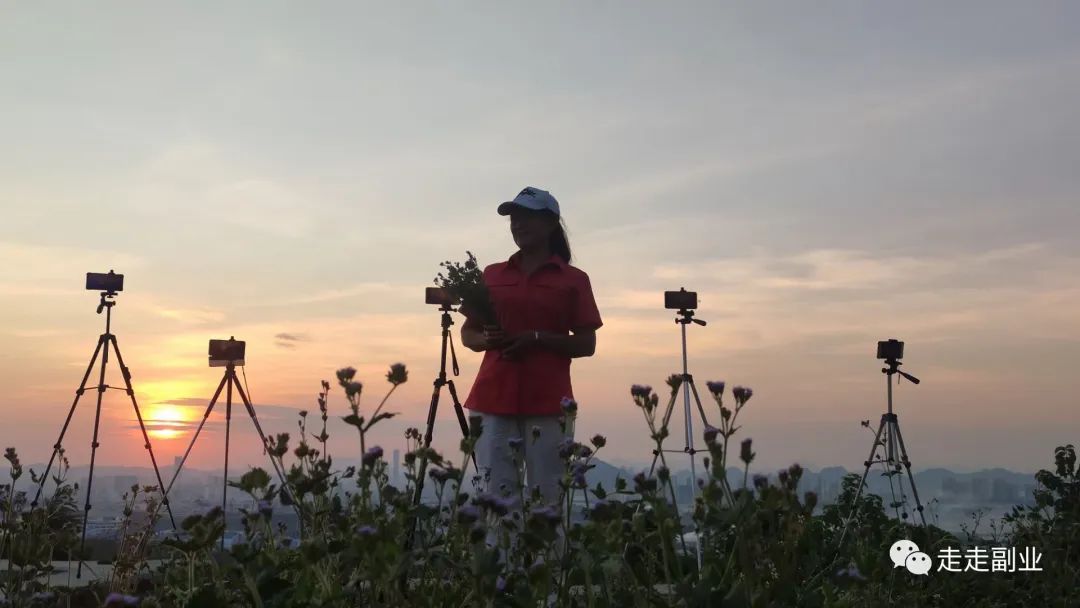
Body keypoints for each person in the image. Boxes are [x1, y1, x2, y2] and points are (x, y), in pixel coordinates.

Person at [461, 186, 602, 512]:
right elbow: (469, 334)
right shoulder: (492, 274)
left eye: (527, 217)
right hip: (492, 399)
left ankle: (548, 564)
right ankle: (501, 564)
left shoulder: (574, 279)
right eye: (514, 218)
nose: (518, 224)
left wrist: (538, 338)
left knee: (549, 501)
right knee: (496, 501)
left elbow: (586, 343)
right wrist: (489, 341)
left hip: (549, 403)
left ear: (551, 223)